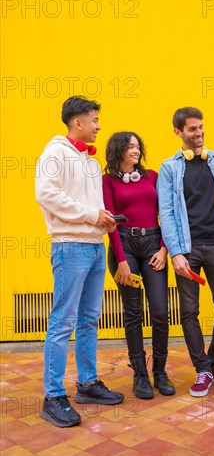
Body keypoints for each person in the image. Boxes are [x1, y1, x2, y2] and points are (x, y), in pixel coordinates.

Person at [35, 96, 124, 429]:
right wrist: (91, 215)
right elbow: (46, 194)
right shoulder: (55, 152)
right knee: (63, 321)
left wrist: (106, 220)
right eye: (95, 119)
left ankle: (87, 383)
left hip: (94, 245)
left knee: (88, 319)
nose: (99, 125)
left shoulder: (89, 161)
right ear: (78, 122)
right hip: (69, 246)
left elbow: (93, 206)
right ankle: (53, 396)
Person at [157, 107, 214, 397]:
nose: (199, 133)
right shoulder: (169, 168)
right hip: (188, 249)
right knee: (189, 312)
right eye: (193, 129)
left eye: (201, 127)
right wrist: (175, 253)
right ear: (178, 132)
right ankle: (202, 369)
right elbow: (166, 213)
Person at [102, 132, 175, 399]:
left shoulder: (152, 176)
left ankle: (160, 372)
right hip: (125, 246)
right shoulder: (107, 181)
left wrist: (165, 248)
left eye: (137, 146)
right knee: (133, 312)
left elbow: (166, 213)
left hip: (153, 244)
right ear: (118, 150)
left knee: (159, 310)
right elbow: (110, 223)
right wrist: (121, 261)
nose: (135, 150)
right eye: (130, 146)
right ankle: (140, 374)